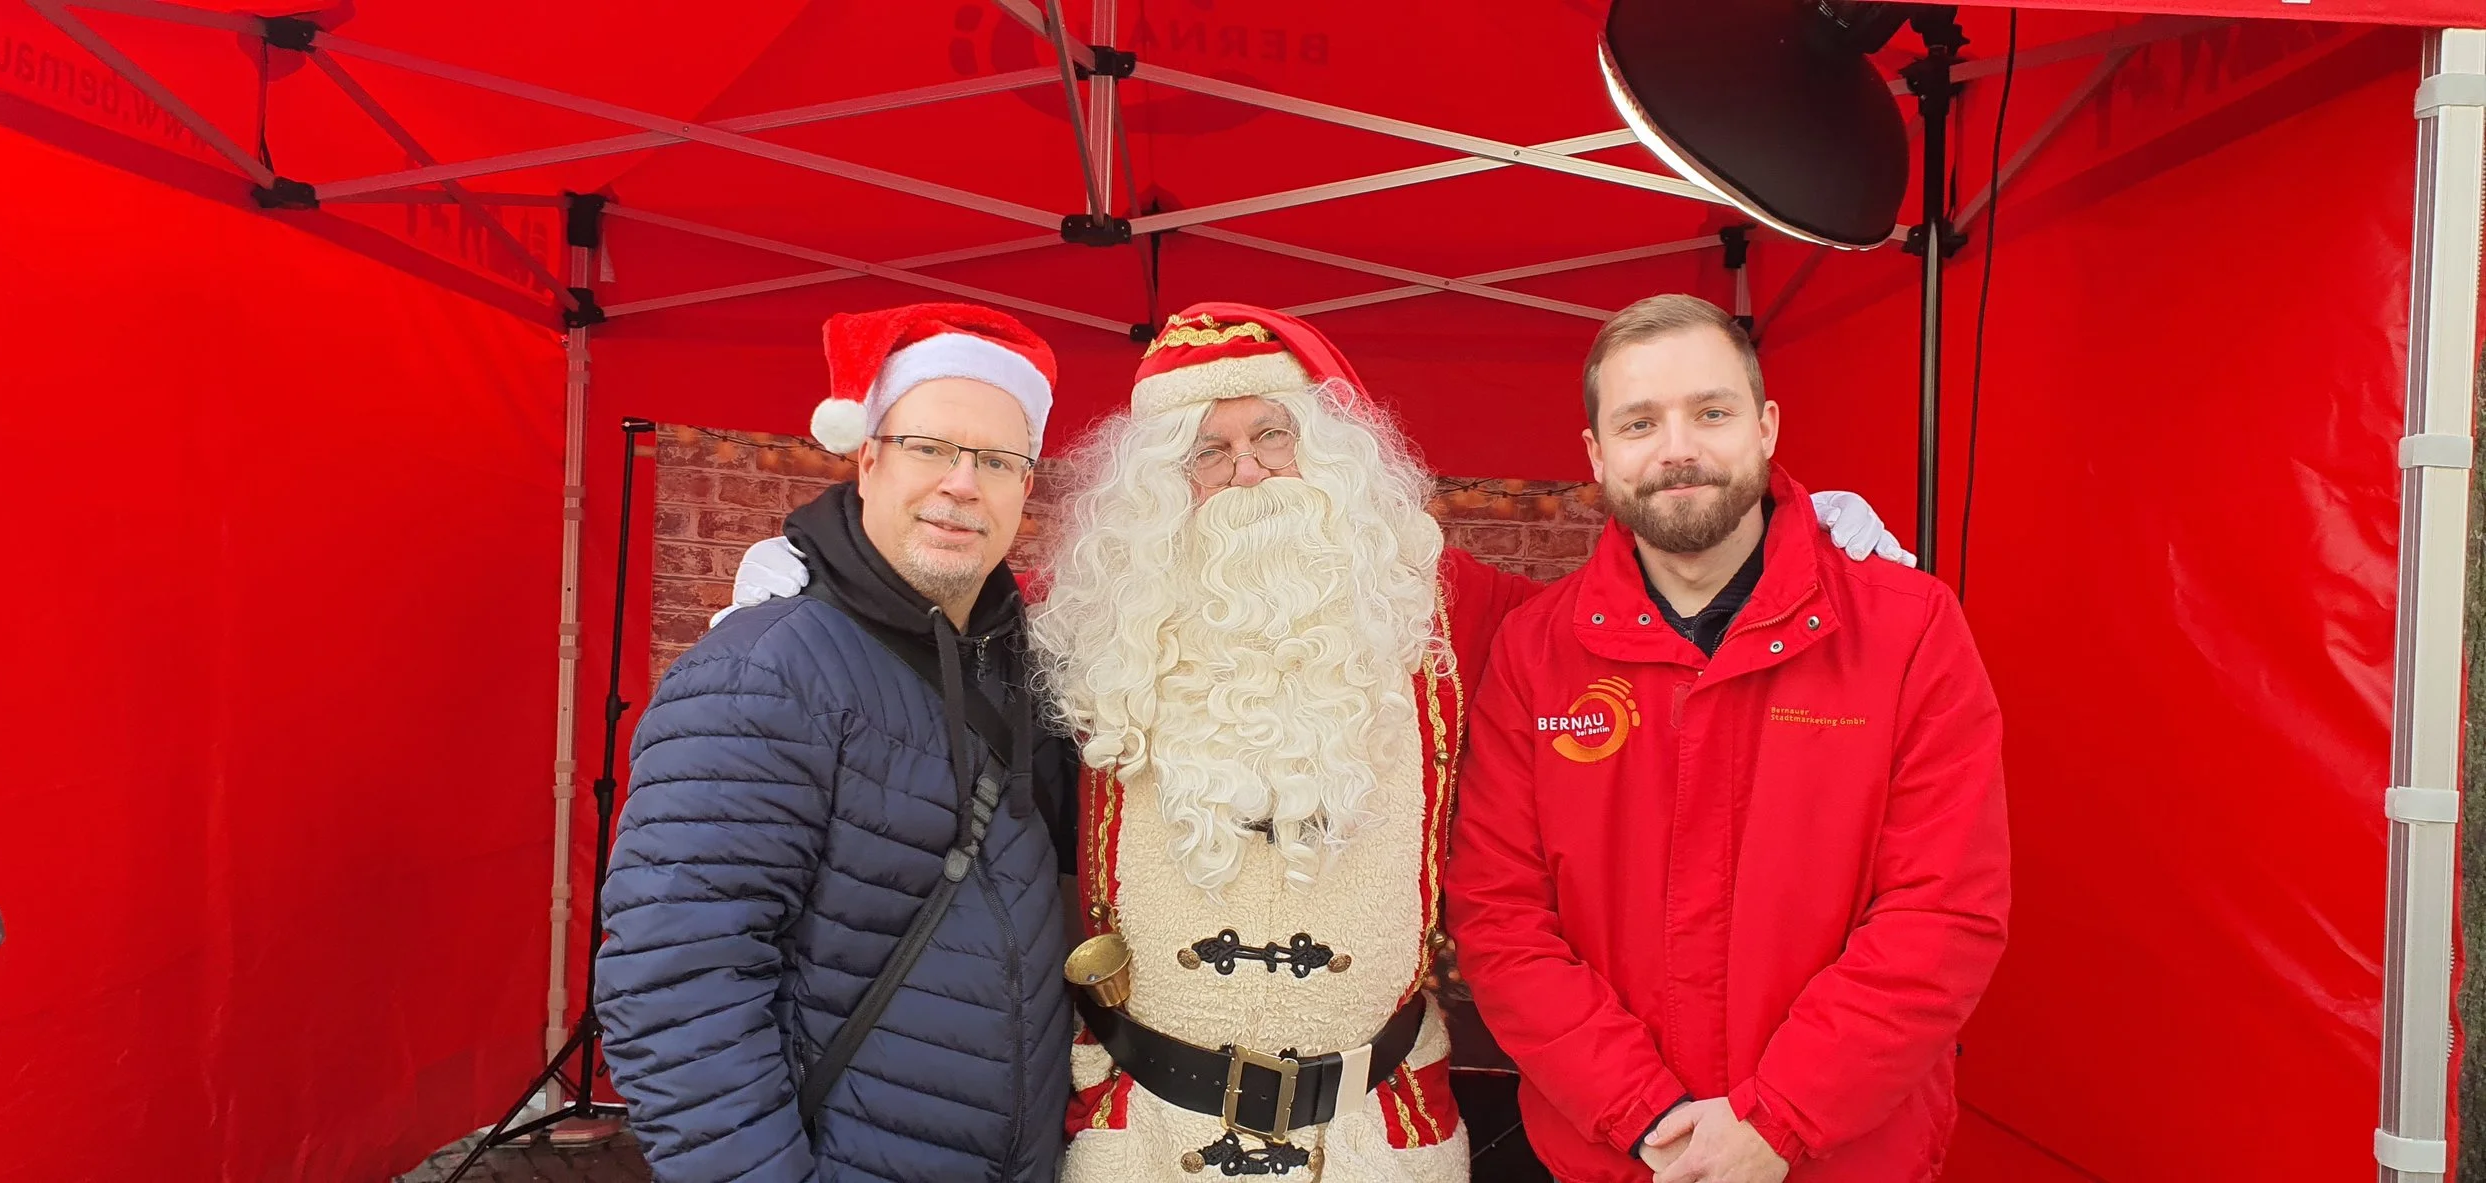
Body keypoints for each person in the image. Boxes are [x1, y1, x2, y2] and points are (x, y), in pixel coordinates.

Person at [719, 301, 1913, 1182]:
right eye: (1208, 447)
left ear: (1334, 452)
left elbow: (1624, 622)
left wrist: (1786, 555)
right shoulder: (1090, 610)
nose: (1244, 470)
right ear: (1157, 481)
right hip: (1138, 1129)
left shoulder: (1437, 602)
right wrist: (834, 584)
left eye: (1273, 434)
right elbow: (936, 605)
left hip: (1380, 1130)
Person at [1444, 294, 2010, 1183]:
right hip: (1617, 1158)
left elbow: (1942, 914)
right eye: (1640, 422)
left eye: (1711, 412)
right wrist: (1646, 1114)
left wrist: (1778, 1120)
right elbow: (1500, 918)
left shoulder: (1909, 631)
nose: (1679, 448)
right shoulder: (1535, 654)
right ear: (1596, 454)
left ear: (1766, 425)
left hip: (1840, 1159)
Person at [594, 302, 1078, 1183]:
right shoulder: (766, 670)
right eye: (929, 447)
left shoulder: (1028, 673)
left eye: (996, 460)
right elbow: (674, 987)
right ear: (868, 457)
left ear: (1024, 487)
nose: (961, 484)